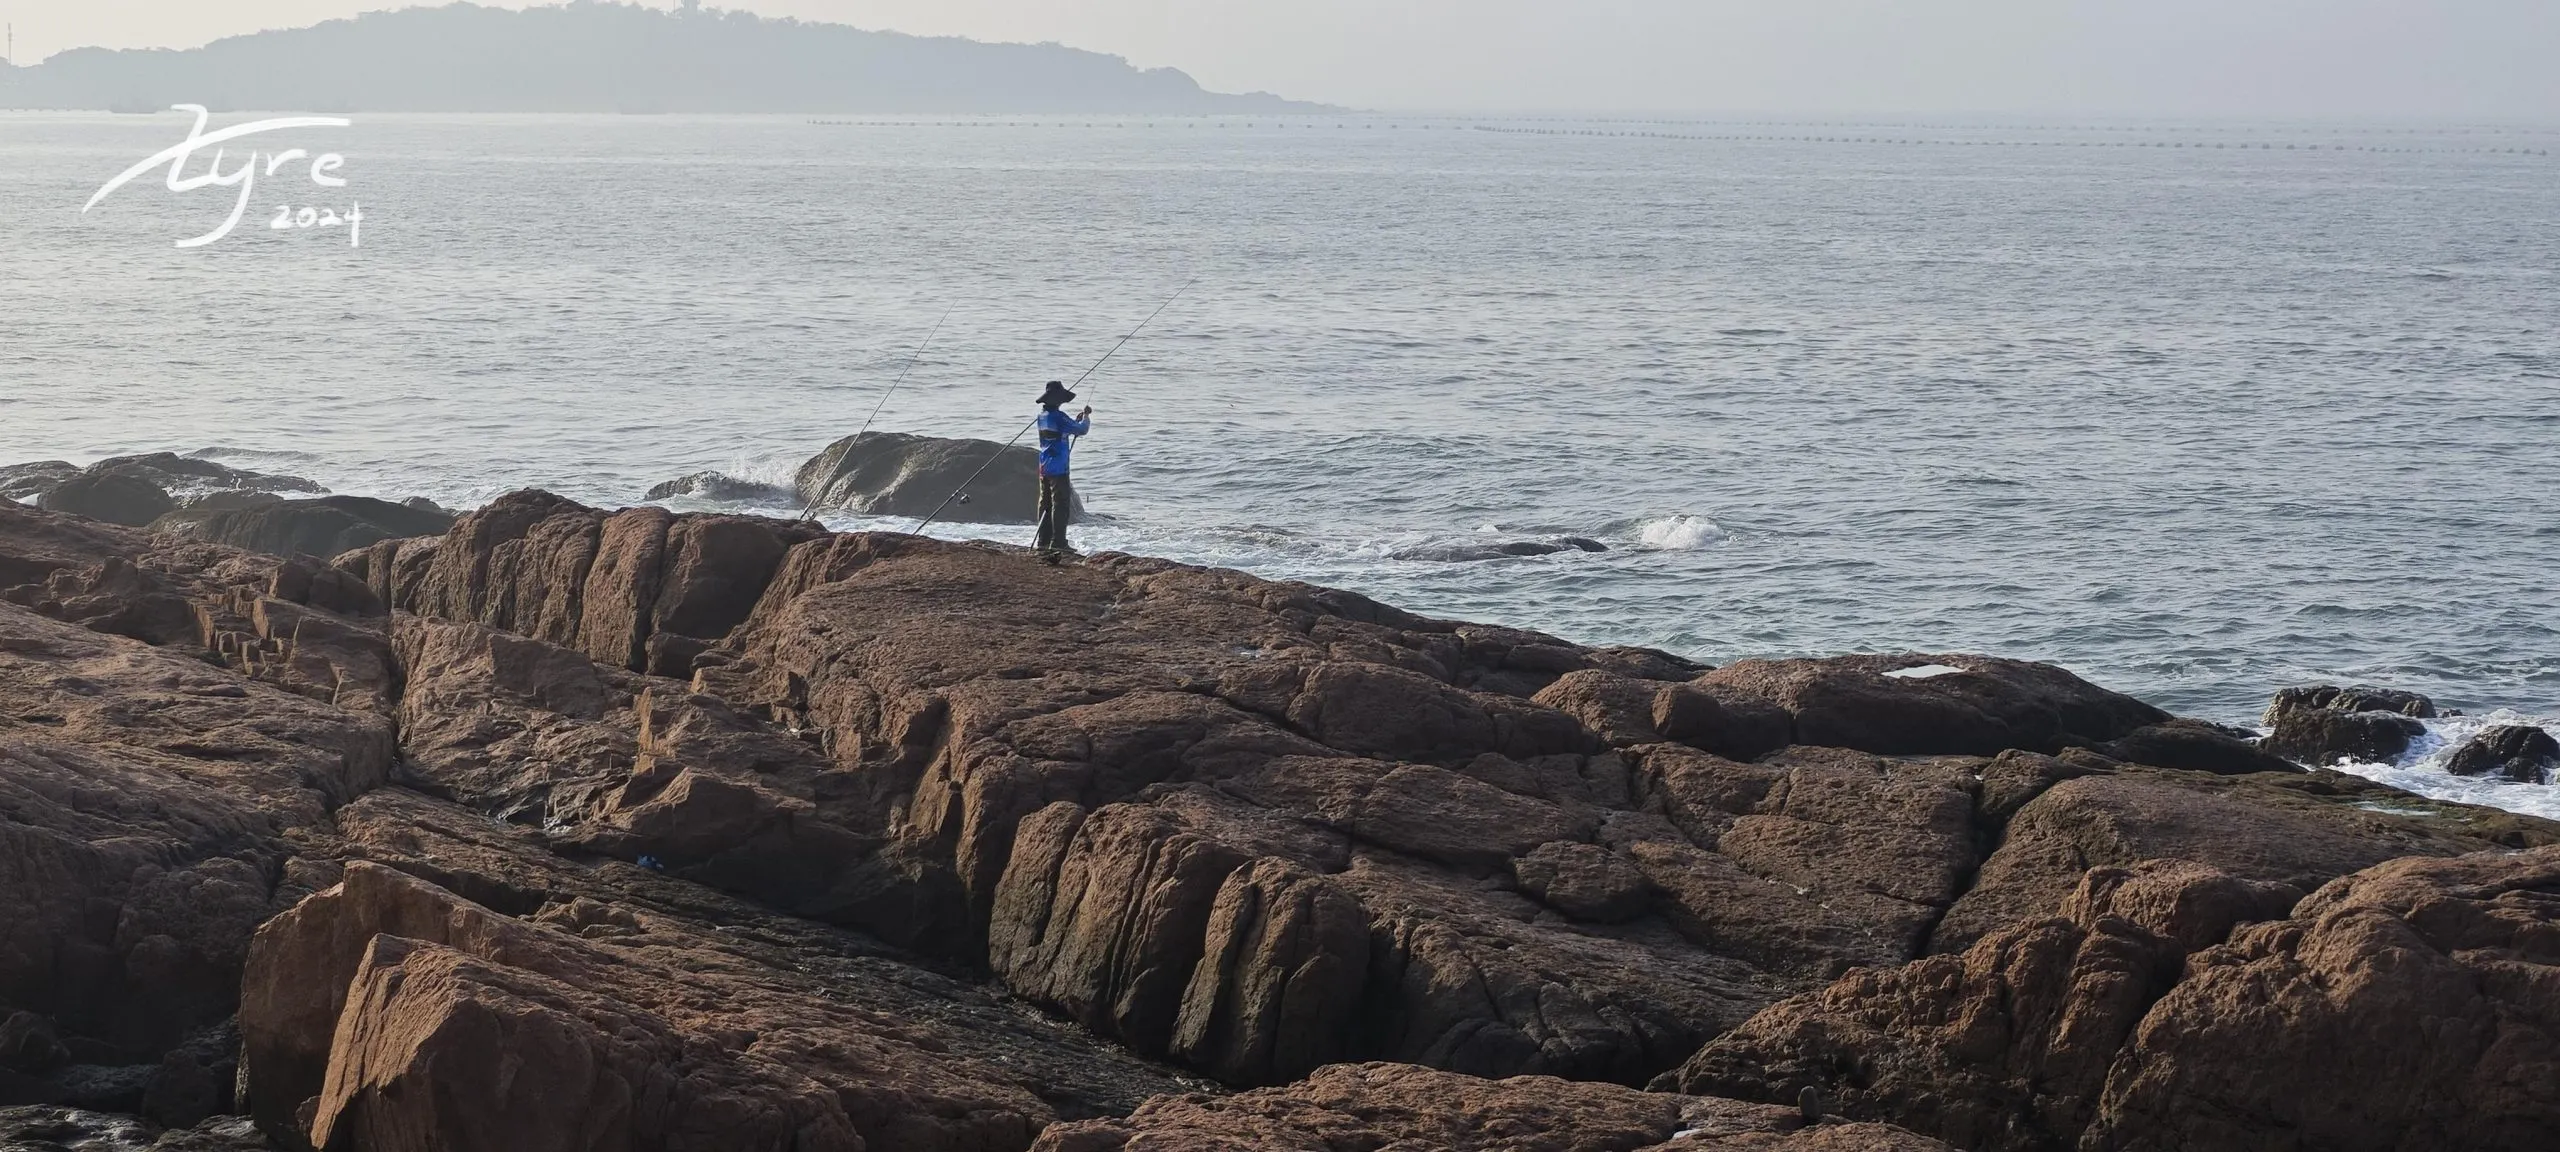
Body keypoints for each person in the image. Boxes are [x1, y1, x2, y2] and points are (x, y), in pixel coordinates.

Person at [1033, 380, 1090, 558]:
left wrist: (1074, 421)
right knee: (1061, 504)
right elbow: (1081, 430)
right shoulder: (1059, 417)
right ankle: (1058, 542)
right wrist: (1086, 417)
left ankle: (1043, 541)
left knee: (1045, 504)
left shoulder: (1042, 416)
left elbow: (1063, 429)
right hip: (1059, 467)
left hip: (1044, 466)